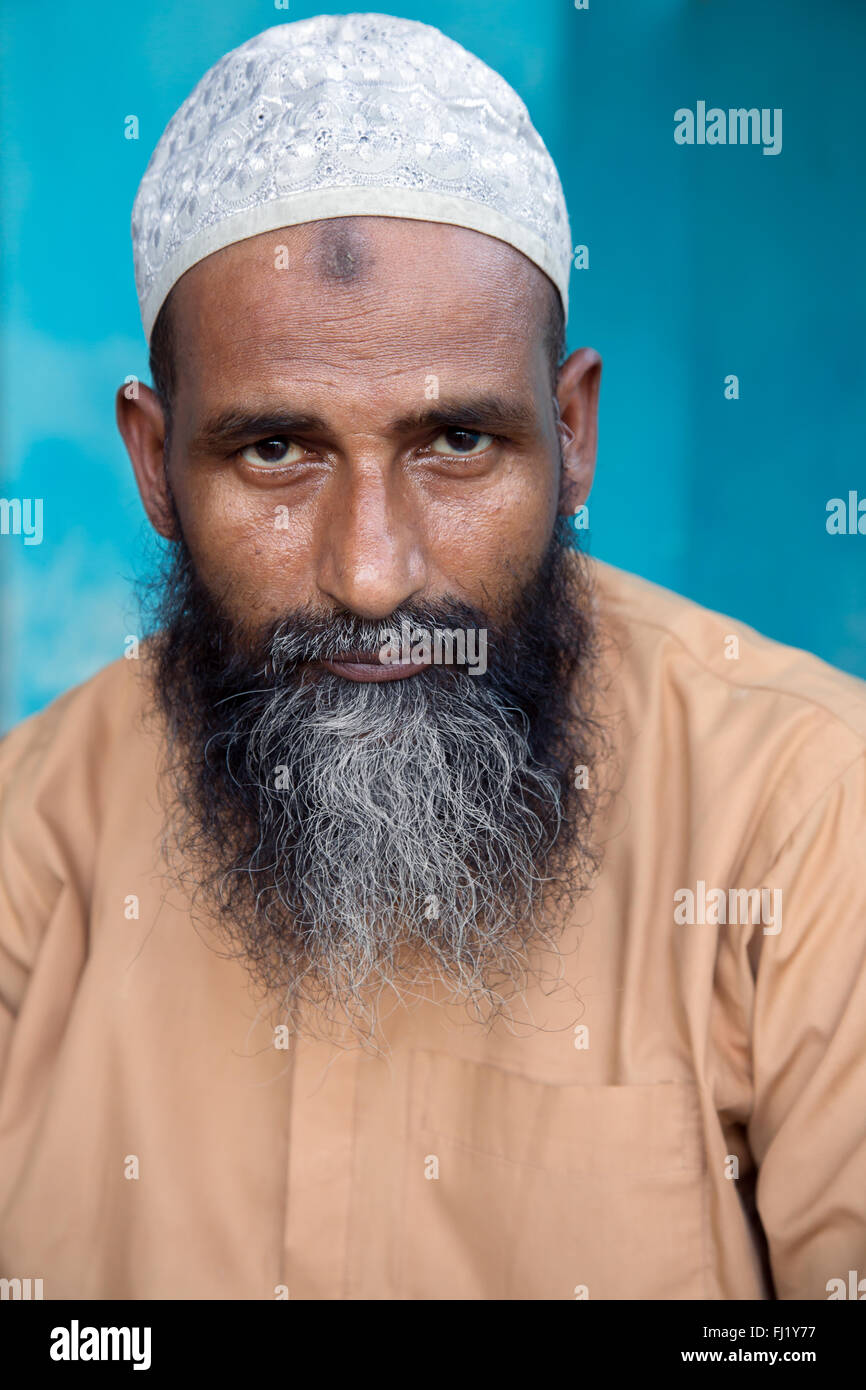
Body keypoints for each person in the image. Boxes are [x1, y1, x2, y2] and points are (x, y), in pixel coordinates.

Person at [1, 13, 864, 1301]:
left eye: (457, 442)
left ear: (571, 435)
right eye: (276, 453)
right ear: (153, 466)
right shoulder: (30, 839)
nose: (373, 572)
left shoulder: (805, 815)